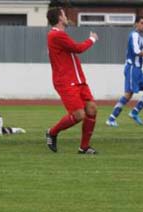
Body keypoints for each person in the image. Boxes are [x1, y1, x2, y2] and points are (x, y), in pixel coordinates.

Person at [45, 7, 99, 154]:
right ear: (59, 18)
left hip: (78, 79)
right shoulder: (55, 35)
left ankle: (84, 147)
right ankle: (52, 132)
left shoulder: (60, 35)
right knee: (79, 115)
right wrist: (92, 39)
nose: (66, 17)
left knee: (92, 109)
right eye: (64, 14)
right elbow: (78, 48)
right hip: (65, 81)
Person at [106, 16, 143, 127]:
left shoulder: (141, 38)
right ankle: (111, 118)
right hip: (132, 69)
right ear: (136, 24)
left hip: (138, 70)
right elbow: (136, 51)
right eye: (142, 23)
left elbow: (141, 53)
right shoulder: (134, 35)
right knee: (128, 94)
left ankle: (134, 112)